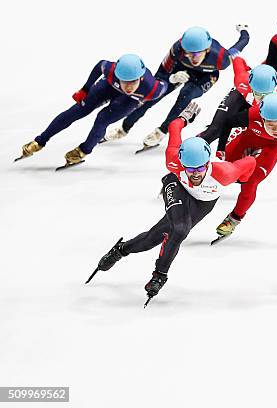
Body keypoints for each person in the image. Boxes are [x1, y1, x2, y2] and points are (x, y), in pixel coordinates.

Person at [91, 102, 256, 304]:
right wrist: (185, 116)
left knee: (153, 239)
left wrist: (244, 178)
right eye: (190, 169)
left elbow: (251, 164)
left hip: (203, 202)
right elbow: (174, 128)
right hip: (177, 186)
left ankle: (120, 250)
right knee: (179, 229)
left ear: (208, 164)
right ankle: (159, 276)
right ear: (181, 163)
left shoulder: (225, 173)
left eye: (199, 169)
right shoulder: (173, 160)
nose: (195, 174)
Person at [104, 25, 250, 148]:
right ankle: (124, 128)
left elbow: (241, 43)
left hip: (205, 76)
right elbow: (159, 77)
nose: (192, 57)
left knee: (186, 94)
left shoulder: (221, 58)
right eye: (188, 53)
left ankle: (162, 131)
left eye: (196, 54)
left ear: (206, 50)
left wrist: (244, 31)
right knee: (153, 96)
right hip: (180, 70)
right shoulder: (177, 50)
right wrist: (172, 78)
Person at [17, 54, 167, 165]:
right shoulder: (110, 69)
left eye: (132, 82)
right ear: (117, 75)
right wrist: (85, 89)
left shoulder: (152, 88)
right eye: (124, 81)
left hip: (129, 100)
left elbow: (164, 86)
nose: (128, 87)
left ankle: (83, 150)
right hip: (108, 86)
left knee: (102, 119)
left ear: (141, 78)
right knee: (76, 111)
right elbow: (100, 65)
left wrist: (169, 81)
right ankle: (40, 141)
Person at [205, 93, 277, 239]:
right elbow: (227, 122)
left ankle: (233, 219)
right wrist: (221, 149)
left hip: (272, 147)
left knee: (251, 182)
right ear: (262, 119)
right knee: (225, 168)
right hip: (249, 138)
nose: (275, 129)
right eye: (270, 124)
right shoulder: (252, 115)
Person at [198, 55, 277, 147]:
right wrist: (247, 69)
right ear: (251, 87)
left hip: (268, 103)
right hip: (242, 96)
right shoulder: (242, 81)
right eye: (258, 94)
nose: (262, 99)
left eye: (267, 95)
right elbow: (238, 60)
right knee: (215, 130)